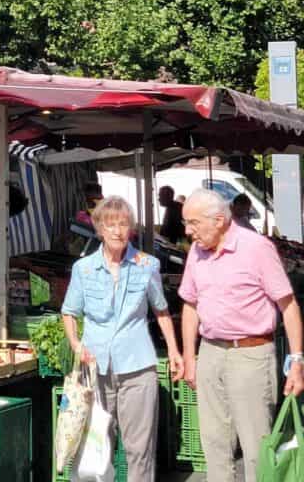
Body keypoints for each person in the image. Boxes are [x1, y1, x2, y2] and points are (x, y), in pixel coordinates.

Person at [179, 188, 304, 482]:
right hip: (210, 352)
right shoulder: (197, 252)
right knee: (214, 442)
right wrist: (189, 355)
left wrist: (297, 360)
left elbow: (288, 306)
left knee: (255, 446)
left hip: (251, 355)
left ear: (219, 220)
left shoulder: (256, 248)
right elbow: (189, 305)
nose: (187, 231)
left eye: (193, 223)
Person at [62, 196, 184, 482]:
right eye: (110, 225)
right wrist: (76, 344)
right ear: (100, 229)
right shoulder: (84, 269)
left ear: (131, 229)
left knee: (139, 447)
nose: (117, 231)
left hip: (137, 366)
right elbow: (68, 312)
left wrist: (175, 352)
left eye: (123, 224)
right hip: (95, 369)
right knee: (94, 443)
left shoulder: (147, 265)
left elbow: (162, 311)